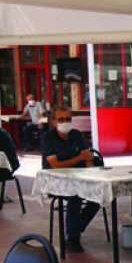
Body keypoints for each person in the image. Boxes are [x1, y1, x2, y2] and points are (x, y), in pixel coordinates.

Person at [41, 107, 100, 252]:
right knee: (75, 196)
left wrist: (91, 171)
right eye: (61, 119)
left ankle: (76, 228)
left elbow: (88, 158)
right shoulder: (48, 138)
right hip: (55, 180)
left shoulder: (77, 135)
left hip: (79, 178)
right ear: (54, 121)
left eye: (68, 119)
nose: (65, 122)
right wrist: (80, 158)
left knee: (99, 195)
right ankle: (73, 239)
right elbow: (55, 165)